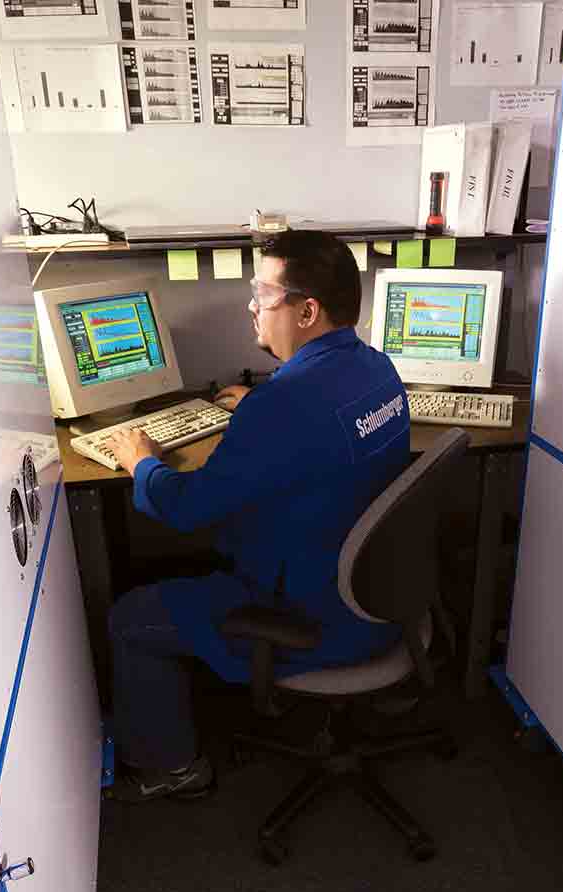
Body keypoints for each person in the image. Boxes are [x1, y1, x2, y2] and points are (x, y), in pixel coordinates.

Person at [103, 230, 410, 800]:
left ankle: (173, 769)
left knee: (130, 618)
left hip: (310, 619)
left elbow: (184, 508)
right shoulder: (377, 369)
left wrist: (141, 461)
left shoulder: (282, 407)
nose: (252, 306)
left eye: (263, 295)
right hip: (380, 599)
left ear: (308, 310)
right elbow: (319, 428)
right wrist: (261, 410)